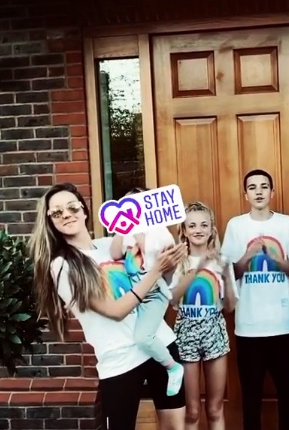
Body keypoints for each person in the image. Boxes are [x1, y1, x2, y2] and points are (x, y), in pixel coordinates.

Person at [28, 182, 188, 430]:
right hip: (120, 361)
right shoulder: (62, 266)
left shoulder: (109, 245)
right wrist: (155, 272)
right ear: (49, 221)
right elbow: (115, 311)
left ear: (84, 210)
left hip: (160, 345)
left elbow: (152, 281)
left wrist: (167, 263)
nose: (66, 214)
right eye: (57, 212)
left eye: (72, 207)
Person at [221, 169, 289, 430]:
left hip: (284, 325)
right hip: (249, 328)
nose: (258, 191)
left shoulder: (287, 223)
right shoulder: (236, 225)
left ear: (272, 192)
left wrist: (277, 260)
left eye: (264, 186)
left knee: (287, 394)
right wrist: (248, 255)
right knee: (251, 397)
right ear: (245, 194)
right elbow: (228, 274)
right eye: (253, 187)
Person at [169, 201, 238, 430]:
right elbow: (172, 300)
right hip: (186, 332)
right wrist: (197, 270)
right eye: (192, 226)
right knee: (192, 410)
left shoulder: (222, 260)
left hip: (215, 331)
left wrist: (227, 277)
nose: (198, 230)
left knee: (215, 408)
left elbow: (229, 307)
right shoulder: (177, 261)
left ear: (211, 230)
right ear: (185, 231)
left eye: (204, 225)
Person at [110, 187, 184, 397]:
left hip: (154, 295)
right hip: (133, 296)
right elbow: (115, 253)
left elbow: (157, 260)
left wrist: (139, 233)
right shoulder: (125, 234)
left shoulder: (159, 232)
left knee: (142, 337)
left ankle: (173, 367)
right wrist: (121, 229)